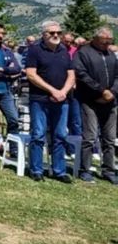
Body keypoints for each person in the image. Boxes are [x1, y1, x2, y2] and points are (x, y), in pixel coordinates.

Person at [24, 21, 74, 183]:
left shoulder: (63, 50)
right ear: (43, 34)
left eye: (58, 33)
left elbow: (71, 75)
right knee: (38, 135)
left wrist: (63, 92)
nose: (56, 35)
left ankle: (59, 171)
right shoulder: (34, 50)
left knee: (60, 135)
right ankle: (36, 170)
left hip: (62, 100)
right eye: (52, 33)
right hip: (40, 100)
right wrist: (53, 91)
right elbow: (31, 75)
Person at [72, 27, 117, 185]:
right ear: (95, 39)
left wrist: (112, 92)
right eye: (103, 42)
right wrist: (101, 91)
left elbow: (117, 75)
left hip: (110, 101)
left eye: (109, 42)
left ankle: (109, 170)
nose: (106, 45)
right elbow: (81, 74)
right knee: (90, 138)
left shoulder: (110, 54)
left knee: (109, 138)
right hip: (90, 100)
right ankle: (85, 170)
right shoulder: (83, 53)